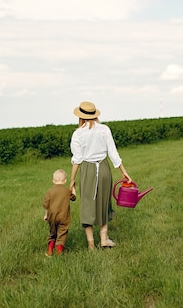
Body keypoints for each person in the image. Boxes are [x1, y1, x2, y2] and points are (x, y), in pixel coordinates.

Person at [69, 101, 132, 250]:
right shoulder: (104, 129)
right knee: (104, 202)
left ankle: (91, 243)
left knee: (87, 204)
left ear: (81, 117)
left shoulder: (78, 134)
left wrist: (72, 180)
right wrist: (124, 172)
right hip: (104, 168)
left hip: (87, 169)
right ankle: (104, 239)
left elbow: (77, 159)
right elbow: (113, 153)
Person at [43, 169, 76, 256]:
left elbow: (46, 204)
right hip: (64, 217)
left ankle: (50, 250)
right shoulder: (67, 191)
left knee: (52, 232)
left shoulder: (49, 191)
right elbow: (73, 198)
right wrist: (73, 189)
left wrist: (46, 215)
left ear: (53, 181)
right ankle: (59, 250)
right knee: (62, 233)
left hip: (52, 216)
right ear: (65, 181)